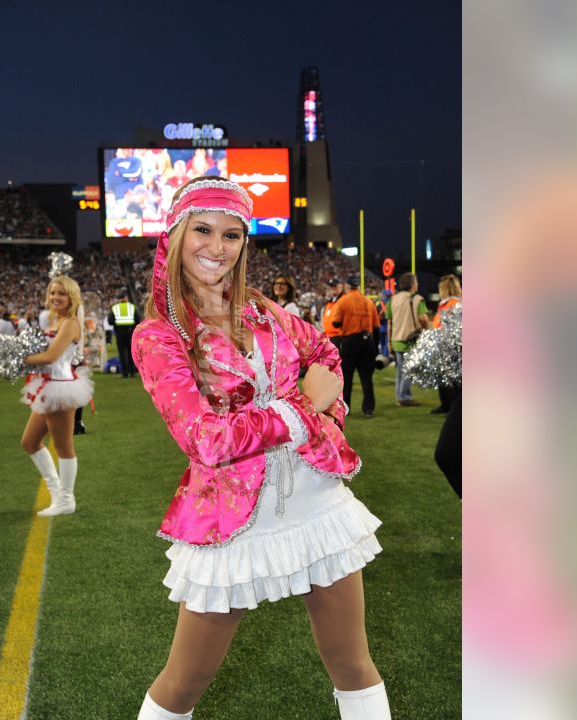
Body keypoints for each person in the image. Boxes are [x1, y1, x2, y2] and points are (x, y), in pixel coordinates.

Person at [131, 177, 390, 719]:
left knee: (353, 666)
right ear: (176, 234)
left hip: (317, 502)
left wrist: (327, 414)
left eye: (232, 235)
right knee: (184, 683)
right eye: (203, 230)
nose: (217, 247)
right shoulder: (158, 336)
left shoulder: (262, 310)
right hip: (228, 518)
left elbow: (327, 357)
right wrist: (302, 410)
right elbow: (205, 439)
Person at [19, 275, 94, 516]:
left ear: (71, 296)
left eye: (61, 293)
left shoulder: (71, 323)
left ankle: (66, 499)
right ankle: (56, 491)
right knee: (29, 442)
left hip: (60, 387)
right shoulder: (57, 320)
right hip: (47, 385)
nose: (55, 297)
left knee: (64, 446)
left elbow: (51, 357)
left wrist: (19, 360)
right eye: (52, 293)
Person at [334, 276, 382, 419]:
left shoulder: (343, 301)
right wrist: (376, 349)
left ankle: (345, 408)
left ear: (348, 287)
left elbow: (336, 323)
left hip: (350, 342)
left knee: (347, 378)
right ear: (358, 287)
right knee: (366, 378)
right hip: (367, 343)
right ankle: (368, 409)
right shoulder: (368, 302)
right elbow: (377, 328)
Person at [386, 273, 430, 407]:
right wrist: (425, 330)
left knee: (401, 369)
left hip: (396, 339)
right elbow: (423, 318)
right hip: (410, 339)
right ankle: (404, 396)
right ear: (412, 285)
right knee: (408, 369)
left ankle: (399, 395)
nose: (417, 285)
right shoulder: (417, 299)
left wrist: (389, 342)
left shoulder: (392, 300)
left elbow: (389, 322)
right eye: (416, 282)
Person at [432, 275, 463, 414]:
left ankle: (453, 409)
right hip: (443, 345)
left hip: (451, 347)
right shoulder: (446, 304)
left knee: (452, 382)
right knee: (443, 379)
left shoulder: (454, 305)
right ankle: (445, 405)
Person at [108, 291, 141, 378]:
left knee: (122, 353)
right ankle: (132, 372)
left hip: (119, 332)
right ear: (126, 298)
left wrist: (117, 323)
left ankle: (125, 373)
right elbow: (138, 319)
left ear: (119, 299)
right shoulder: (132, 307)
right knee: (131, 353)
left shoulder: (115, 308)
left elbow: (110, 321)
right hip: (130, 332)